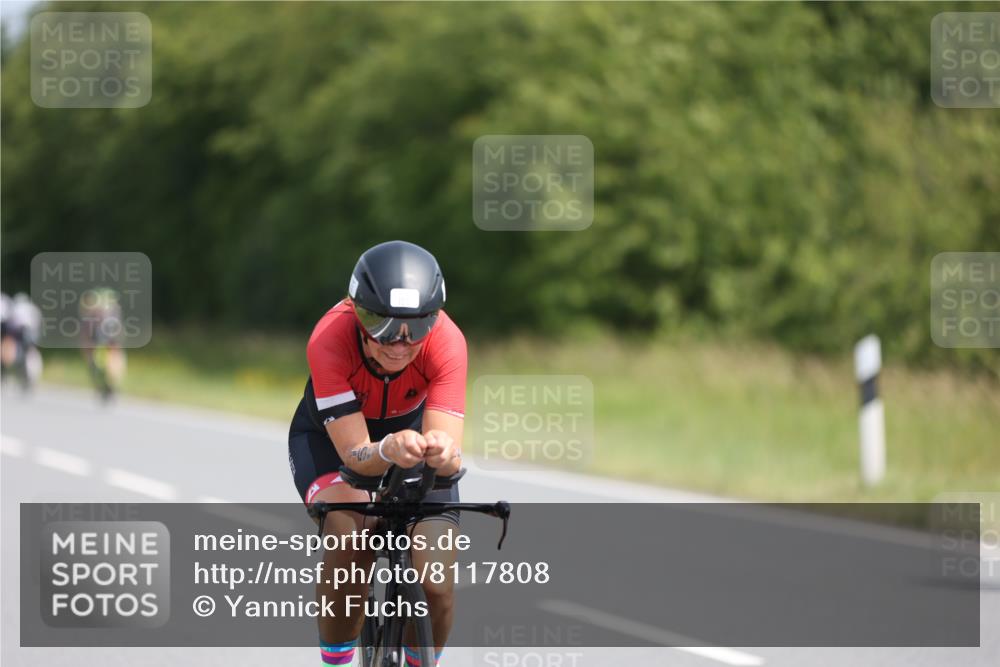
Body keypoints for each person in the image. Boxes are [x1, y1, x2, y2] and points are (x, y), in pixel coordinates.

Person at [288, 240, 466, 667]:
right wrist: (387, 448)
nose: (399, 343)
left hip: (411, 440)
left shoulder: (448, 341)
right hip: (332, 442)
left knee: (437, 582)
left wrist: (443, 453)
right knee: (351, 540)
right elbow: (355, 455)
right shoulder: (329, 338)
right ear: (357, 311)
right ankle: (336, 660)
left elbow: (450, 456)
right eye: (381, 325)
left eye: (416, 327)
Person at [79, 287, 126, 400]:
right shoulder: (96, 314)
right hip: (99, 338)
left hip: (106, 338)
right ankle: (103, 382)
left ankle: (109, 382)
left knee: (113, 355)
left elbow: (117, 334)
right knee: (93, 356)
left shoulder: (109, 314)